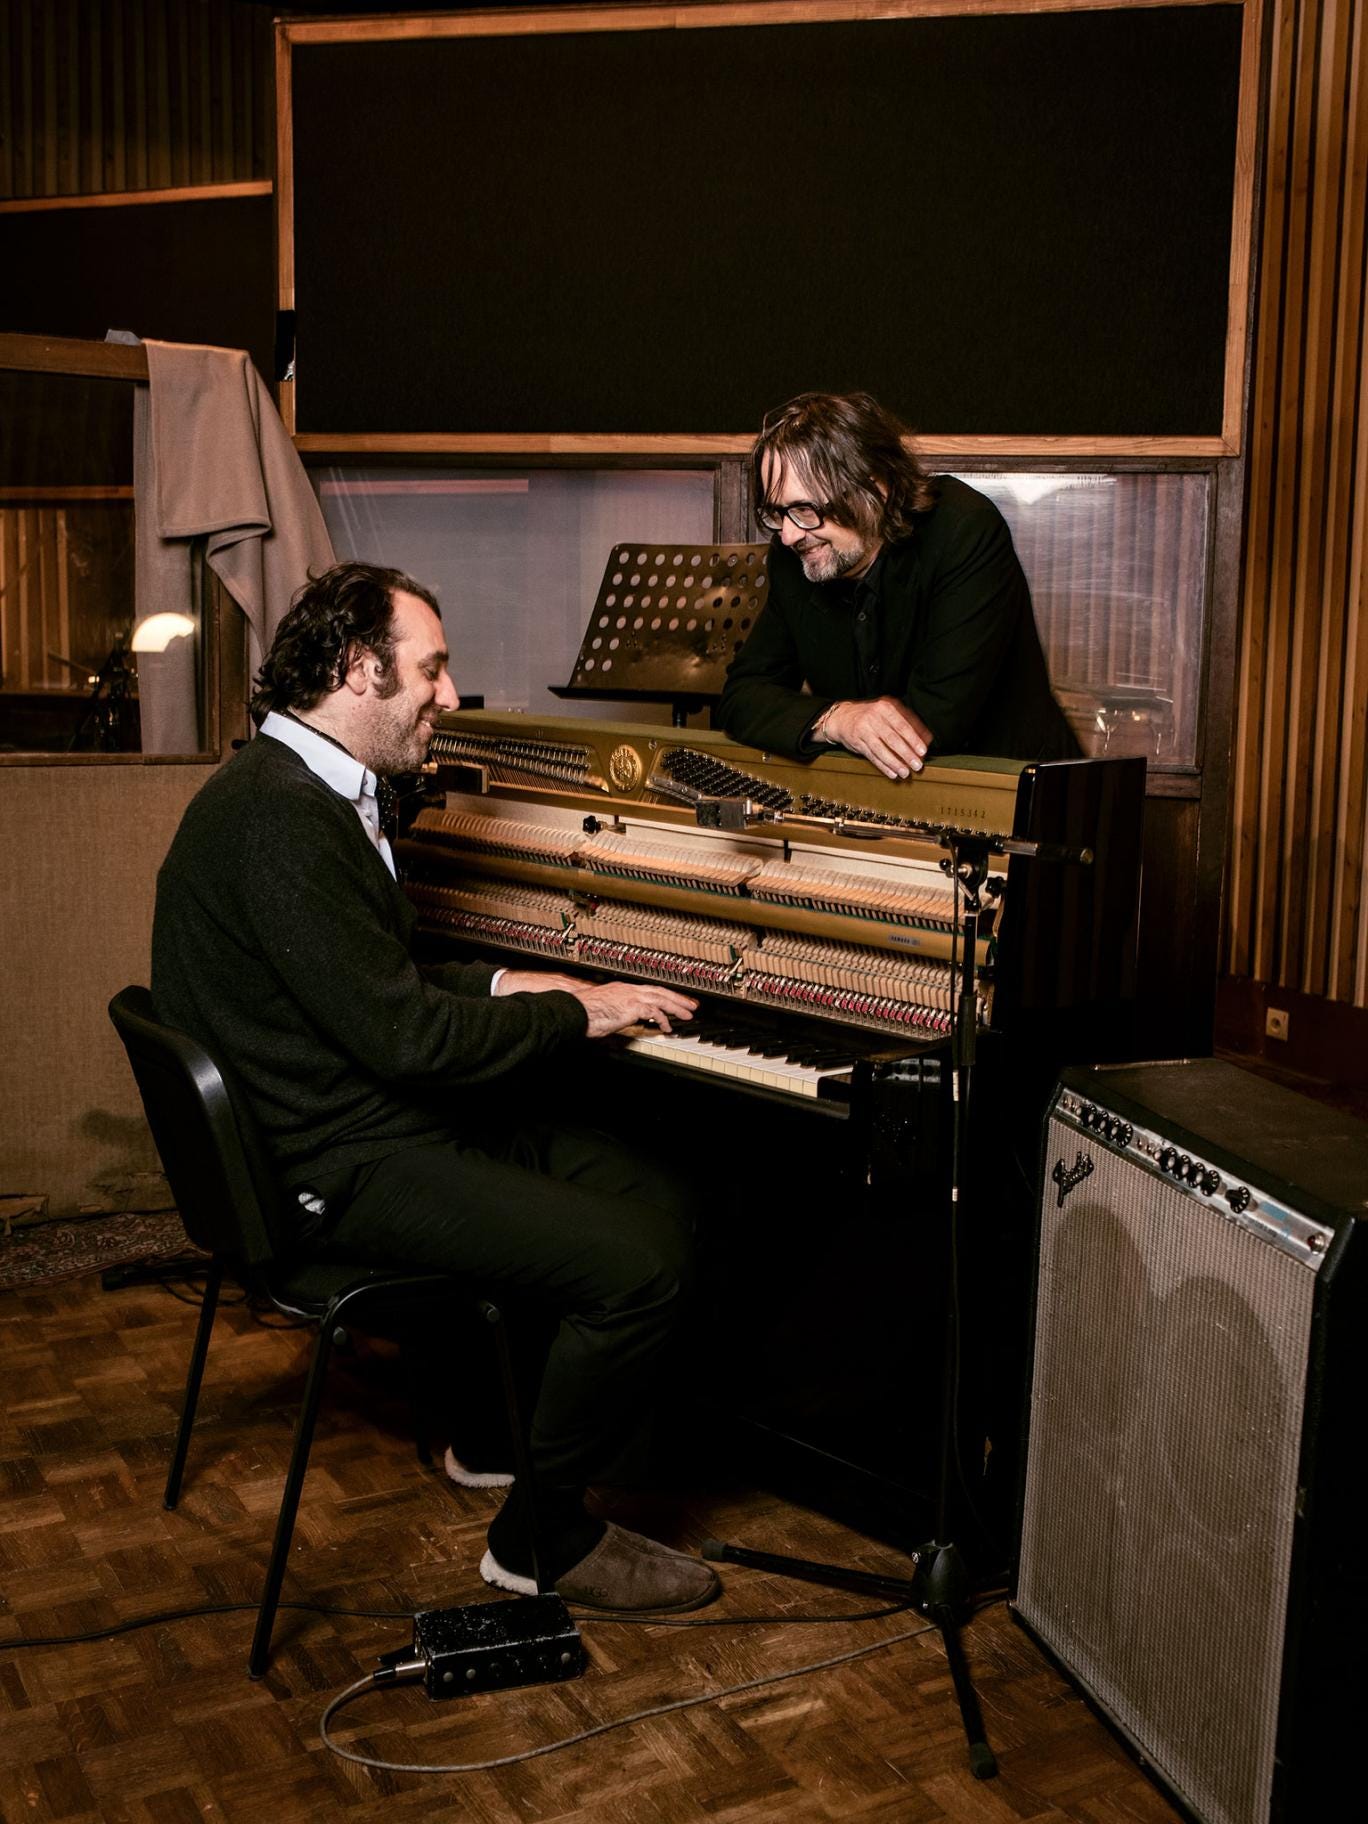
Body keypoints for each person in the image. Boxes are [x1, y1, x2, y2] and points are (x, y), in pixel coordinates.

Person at [151, 561, 720, 1613]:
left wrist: (514, 977)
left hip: (357, 1124)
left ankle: (500, 1434)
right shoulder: (279, 820)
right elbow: (405, 1037)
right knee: (637, 1265)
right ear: (360, 670)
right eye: (433, 669)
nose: (449, 698)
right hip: (332, 1168)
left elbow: (365, 982)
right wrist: (572, 1013)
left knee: (656, 1192)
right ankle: (539, 1539)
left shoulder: (293, 791)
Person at [714, 391, 1079, 780]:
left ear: (874, 489)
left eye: (805, 510)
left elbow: (933, 724)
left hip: (1022, 794)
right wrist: (837, 719)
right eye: (777, 513)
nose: (788, 535)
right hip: (883, 800)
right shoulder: (792, 557)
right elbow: (742, 696)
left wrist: (848, 722)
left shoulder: (963, 530)